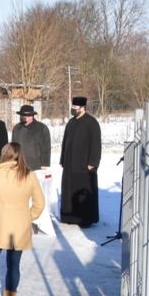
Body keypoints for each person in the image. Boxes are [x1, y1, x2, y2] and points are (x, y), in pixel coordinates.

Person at [0, 143, 45, 296]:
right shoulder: (29, 175)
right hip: (19, 225)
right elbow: (40, 203)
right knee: (14, 264)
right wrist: (29, 216)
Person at [60, 96, 102, 228]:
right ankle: (69, 216)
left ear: (83, 107)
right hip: (69, 164)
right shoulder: (71, 122)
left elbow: (96, 144)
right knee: (69, 190)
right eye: (72, 107)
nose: (73, 109)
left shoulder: (91, 123)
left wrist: (93, 162)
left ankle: (85, 218)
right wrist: (62, 159)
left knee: (83, 191)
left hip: (84, 165)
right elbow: (65, 142)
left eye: (75, 108)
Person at [11, 105, 54, 235]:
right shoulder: (17, 128)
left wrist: (44, 164)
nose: (26, 118)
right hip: (20, 166)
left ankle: (36, 221)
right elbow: (13, 146)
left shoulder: (41, 128)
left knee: (36, 197)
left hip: (36, 166)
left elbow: (46, 147)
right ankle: (22, 221)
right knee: (20, 196)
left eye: (28, 116)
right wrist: (13, 160)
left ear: (33, 115)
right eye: (24, 116)